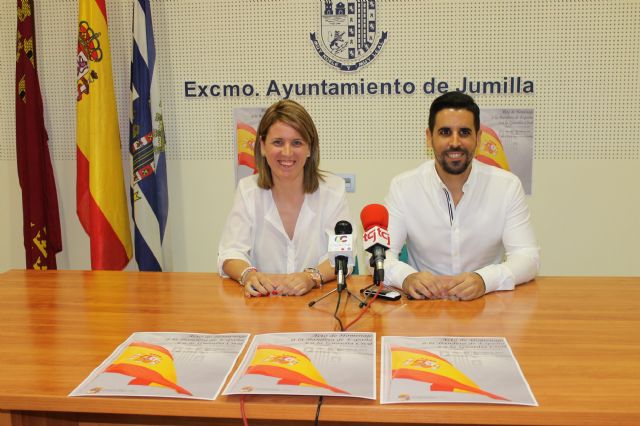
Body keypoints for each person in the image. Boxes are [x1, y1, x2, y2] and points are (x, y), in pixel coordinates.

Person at [384, 92, 539, 301]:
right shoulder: (403, 187)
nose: (455, 142)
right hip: (424, 308)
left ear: (478, 138)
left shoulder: (507, 186)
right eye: (445, 132)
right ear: (429, 137)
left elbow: (527, 257)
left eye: (464, 132)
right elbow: (381, 256)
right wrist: (407, 278)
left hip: (486, 305)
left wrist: (484, 280)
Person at [218, 100, 352, 297]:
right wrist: (248, 275)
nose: (287, 152)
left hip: (317, 306)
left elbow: (344, 257)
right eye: (278, 142)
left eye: (297, 143)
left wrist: (311, 277)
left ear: (309, 148)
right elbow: (230, 253)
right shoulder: (248, 191)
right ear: (262, 146)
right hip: (262, 306)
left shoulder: (333, 191)